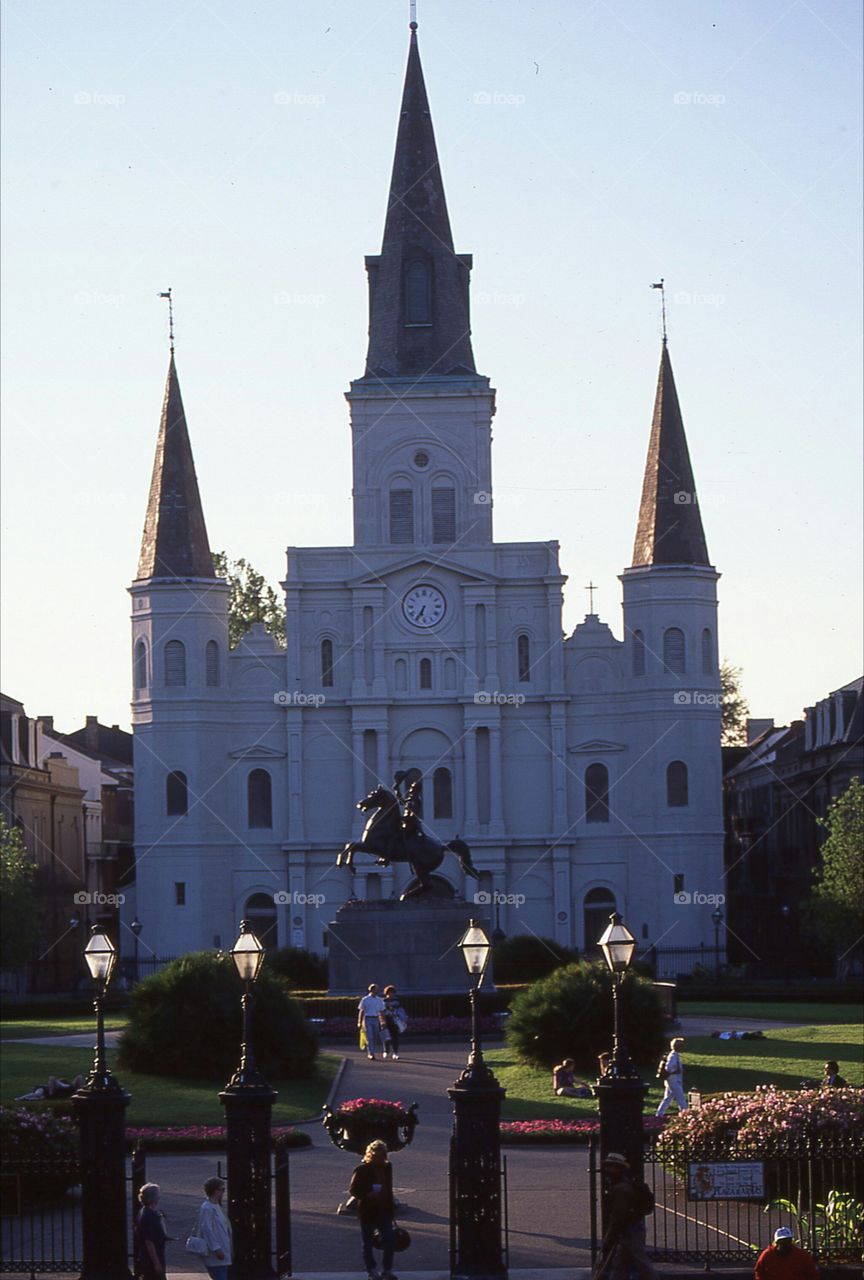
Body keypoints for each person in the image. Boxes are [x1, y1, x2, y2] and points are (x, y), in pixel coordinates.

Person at [593, 1152, 658, 1280]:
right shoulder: (624, 1184)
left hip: (630, 1229)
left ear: (619, 1169)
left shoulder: (621, 1189)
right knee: (620, 1263)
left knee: (641, 1263)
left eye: (611, 1167)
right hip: (632, 1228)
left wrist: (612, 1232)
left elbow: (619, 1214)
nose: (608, 1170)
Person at [349, 1139, 397, 1280]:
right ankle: (372, 1270)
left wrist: (391, 1205)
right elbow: (354, 1190)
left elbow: (388, 1187)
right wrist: (367, 1194)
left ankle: (387, 1270)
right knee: (368, 1242)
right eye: (376, 1156)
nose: (379, 1159)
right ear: (370, 1155)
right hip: (369, 1210)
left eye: (382, 1156)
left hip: (384, 1209)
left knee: (389, 1240)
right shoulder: (362, 1170)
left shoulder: (387, 1168)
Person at [196, 1177, 233, 1280]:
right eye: (222, 1189)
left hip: (223, 1252)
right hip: (216, 1254)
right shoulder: (207, 1208)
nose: (223, 1192)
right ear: (216, 1191)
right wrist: (216, 1248)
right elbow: (207, 1230)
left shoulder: (216, 1206)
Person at [754, 1226, 819, 1280]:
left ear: (791, 1242)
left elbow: (812, 1274)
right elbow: (759, 1272)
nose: (785, 1244)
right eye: (782, 1242)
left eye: (787, 1241)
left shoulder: (801, 1256)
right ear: (776, 1243)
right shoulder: (767, 1255)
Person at [134, 1182, 168, 1280]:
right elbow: (149, 1242)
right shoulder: (148, 1216)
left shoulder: (145, 1213)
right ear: (153, 1198)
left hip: (148, 1257)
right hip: (152, 1258)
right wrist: (157, 1263)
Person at [656, 1037, 687, 1116]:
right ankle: (685, 1113)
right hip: (673, 1079)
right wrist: (676, 1070)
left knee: (668, 1098)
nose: (682, 1047)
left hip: (673, 1079)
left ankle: (659, 1114)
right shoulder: (673, 1056)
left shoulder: (675, 1055)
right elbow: (669, 1068)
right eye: (681, 1045)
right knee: (681, 1098)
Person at [358, 984, 386, 1061]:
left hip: (376, 1019)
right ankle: (371, 1053)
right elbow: (361, 1011)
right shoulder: (365, 999)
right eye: (376, 989)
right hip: (367, 1019)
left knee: (374, 1036)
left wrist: (383, 1021)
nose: (377, 991)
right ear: (371, 990)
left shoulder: (379, 1000)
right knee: (369, 1036)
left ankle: (371, 1051)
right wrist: (359, 1022)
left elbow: (381, 1011)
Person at [380, 985, 407, 1061]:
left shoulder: (397, 1002)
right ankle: (386, 1051)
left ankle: (395, 1053)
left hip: (395, 1020)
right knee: (386, 1036)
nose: (391, 994)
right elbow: (380, 1012)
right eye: (389, 992)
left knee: (395, 1037)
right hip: (386, 1020)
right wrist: (382, 1021)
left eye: (392, 992)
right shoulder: (383, 1001)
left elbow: (401, 1011)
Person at [16, 1073, 84, 1101]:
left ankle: (21, 1099)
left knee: (38, 1096)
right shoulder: (48, 1087)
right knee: (37, 1095)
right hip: (45, 1090)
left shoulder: (70, 1088)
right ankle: (20, 1098)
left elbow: (79, 1078)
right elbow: (51, 1079)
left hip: (49, 1092)